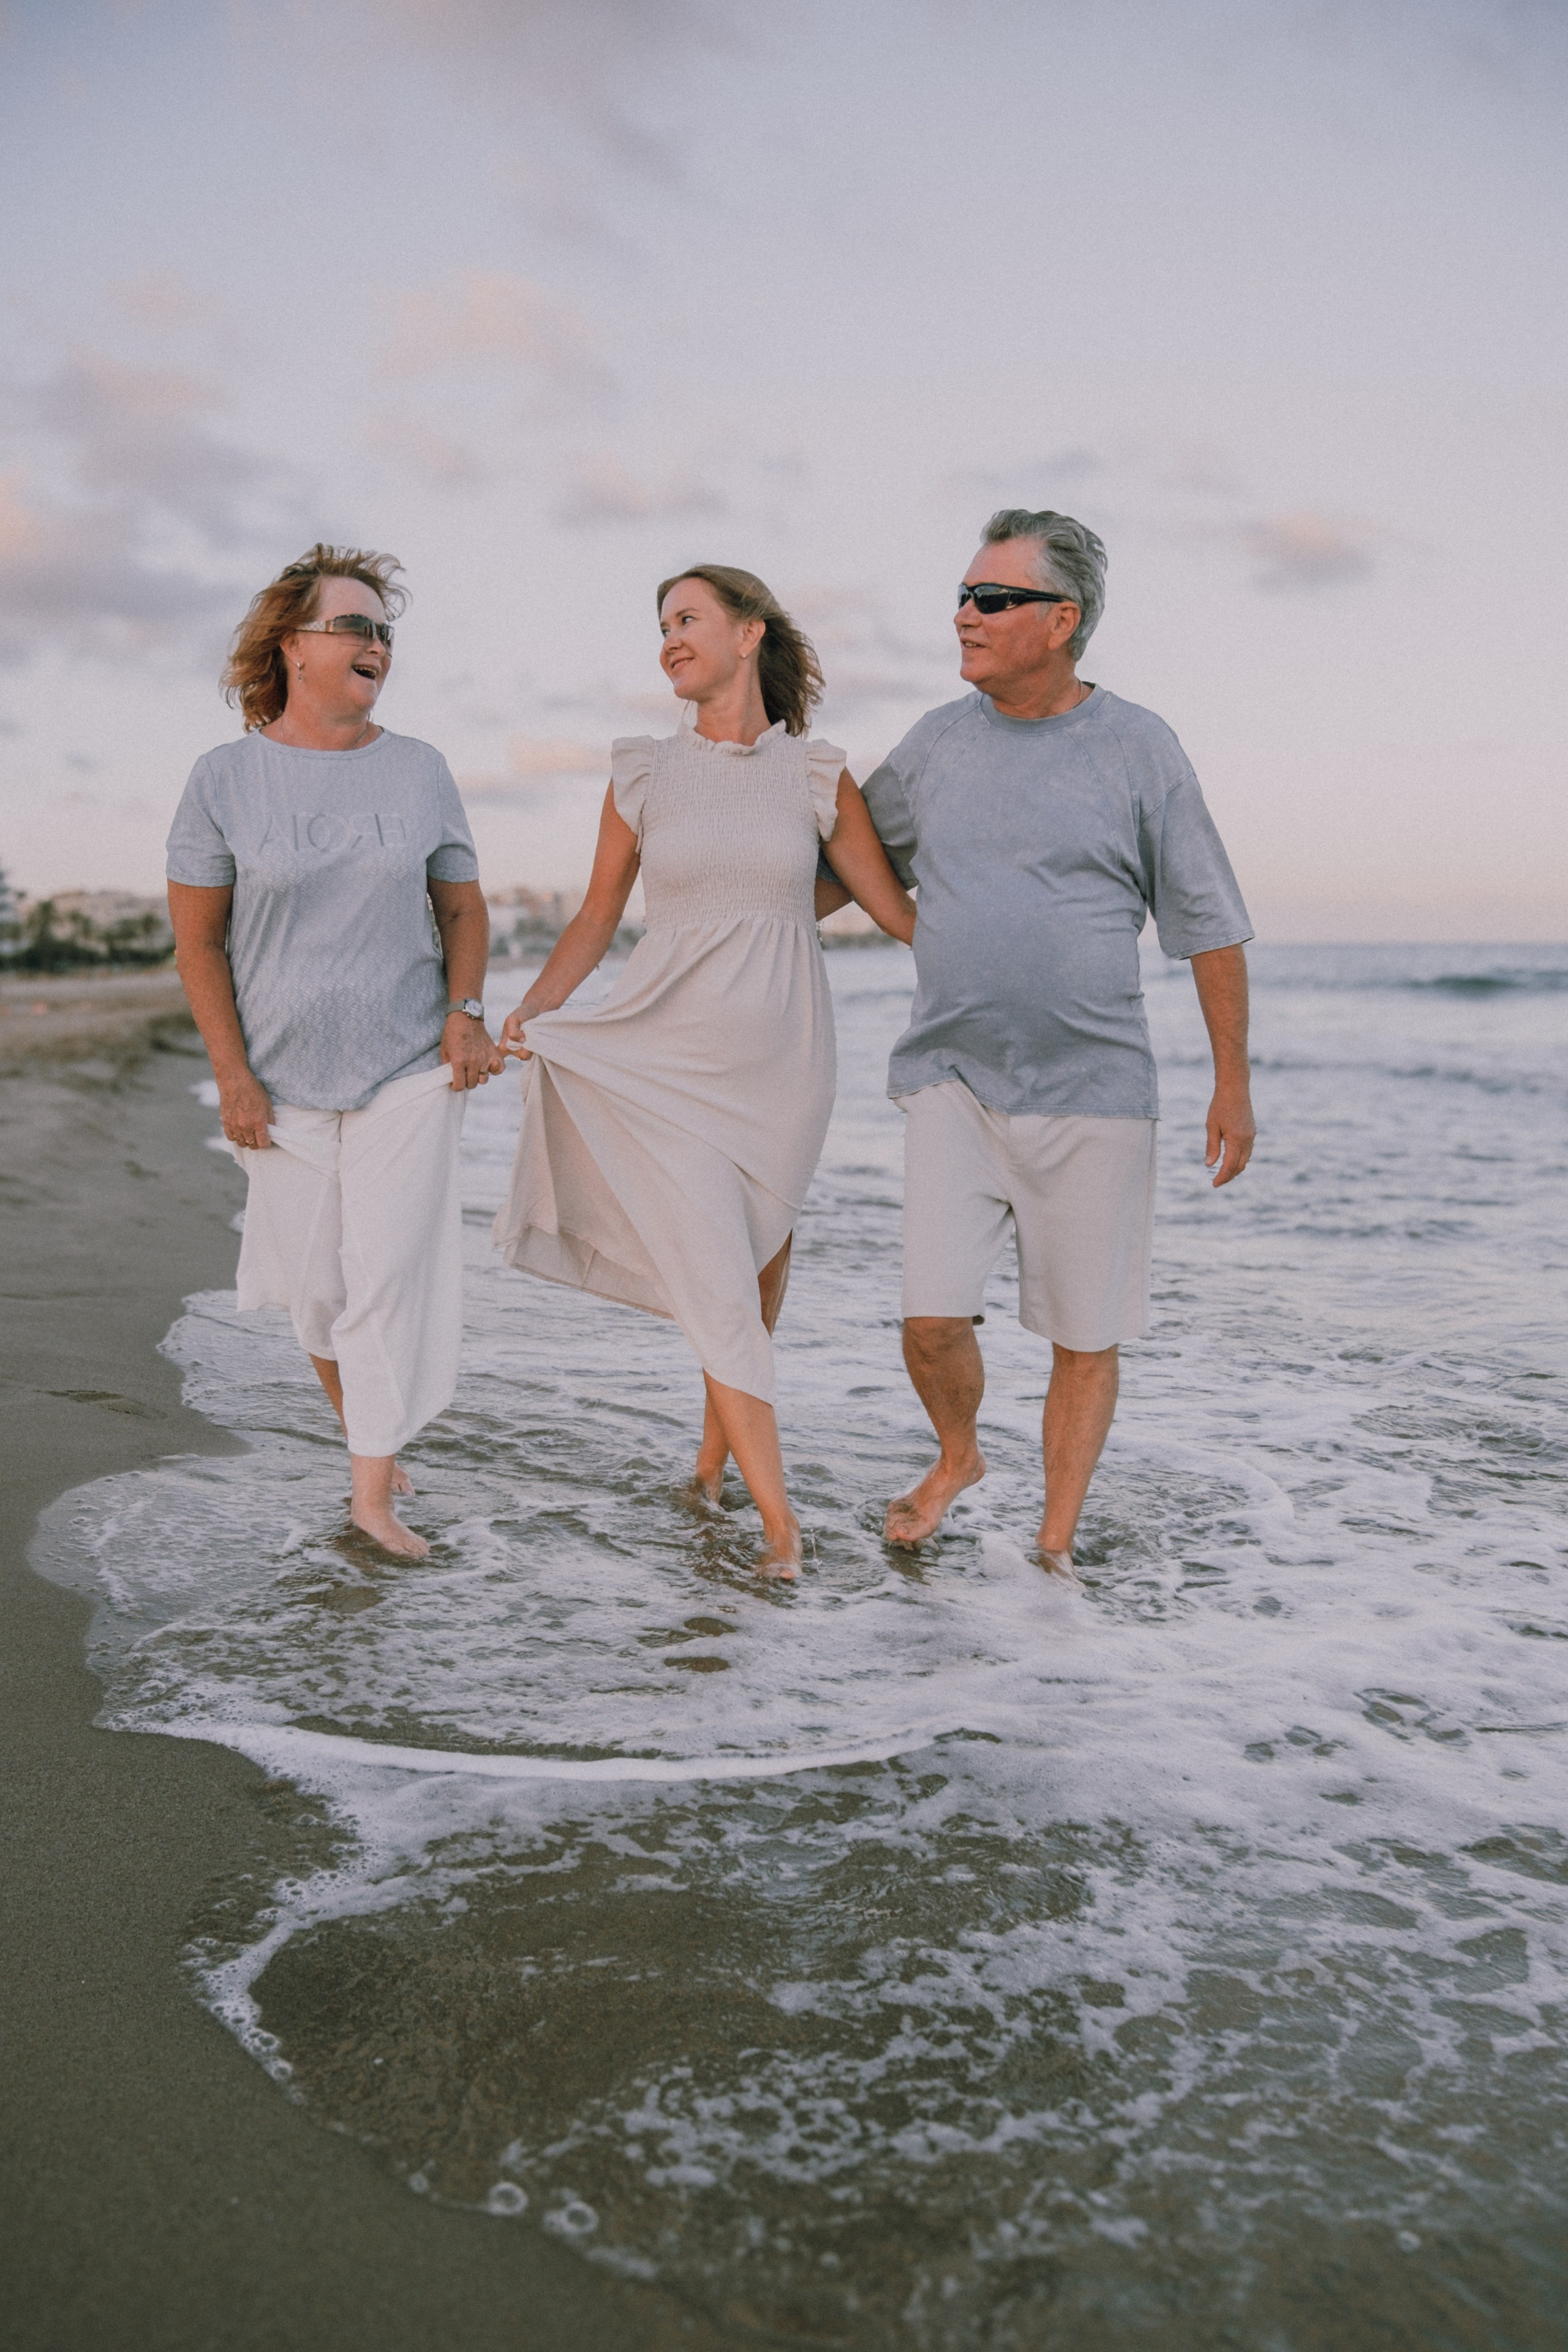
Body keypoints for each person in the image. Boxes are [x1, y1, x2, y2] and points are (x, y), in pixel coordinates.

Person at [839, 508, 1256, 1576]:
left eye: (993, 599)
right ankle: (961, 1455)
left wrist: (1232, 1084)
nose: (965, 617)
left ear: (1060, 621)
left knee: (1085, 1334)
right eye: (964, 597)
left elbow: (1204, 919)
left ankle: (1053, 1551)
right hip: (954, 1079)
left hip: (1097, 1090)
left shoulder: (1139, 746)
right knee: (930, 1319)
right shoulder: (936, 742)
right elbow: (848, 856)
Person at [492, 565, 915, 1577]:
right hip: (668, 1049)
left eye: (689, 620)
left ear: (747, 634)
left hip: (785, 1063)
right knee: (722, 1287)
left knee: (758, 1269)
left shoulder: (815, 774)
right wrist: (537, 1009)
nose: (670, 640)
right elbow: (597, 914)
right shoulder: (642, 771)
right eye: (662, 626)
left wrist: (1014, 946)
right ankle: (781, 1526)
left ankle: (711, 1465)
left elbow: (898, 914)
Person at [166, 544, 503, 1560]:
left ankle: (371, 1495)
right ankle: (376, 1442)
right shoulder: (223, 779)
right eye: (354, 625)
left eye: (385, 630)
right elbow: (199, 942)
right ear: (292, 646)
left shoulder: (421, 769)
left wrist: (467, 1010)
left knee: (387, 1275)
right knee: (316, 1295)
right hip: (278, 1082)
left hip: (406, 1067)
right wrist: (231, 1075)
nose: (376, 644)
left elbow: (463, 907)